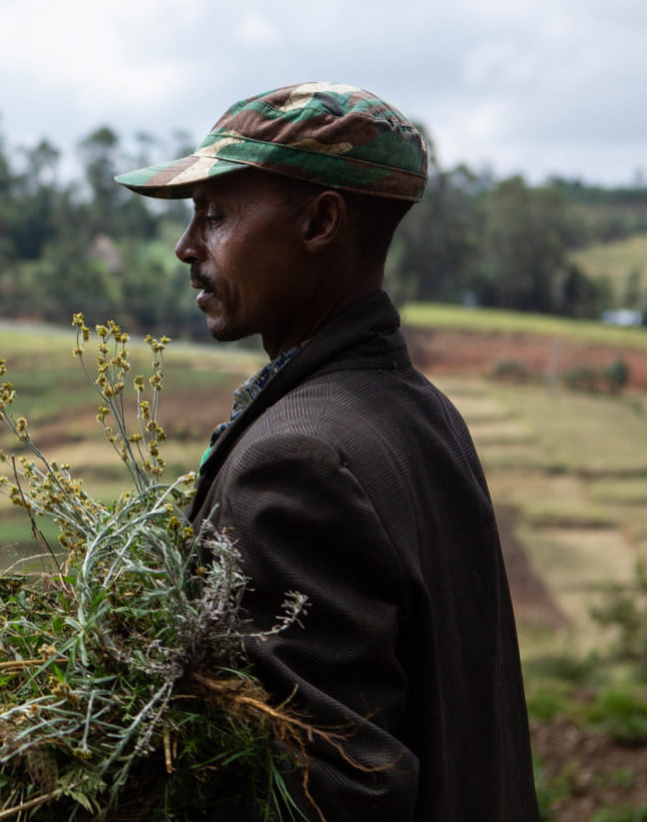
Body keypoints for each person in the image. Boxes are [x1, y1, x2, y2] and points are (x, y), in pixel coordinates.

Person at [115, 82, 539, 820]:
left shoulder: (299, 462)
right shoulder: (418, 412)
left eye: (215, 215)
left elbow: (318, 790)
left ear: (319, 222)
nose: (187, 246)